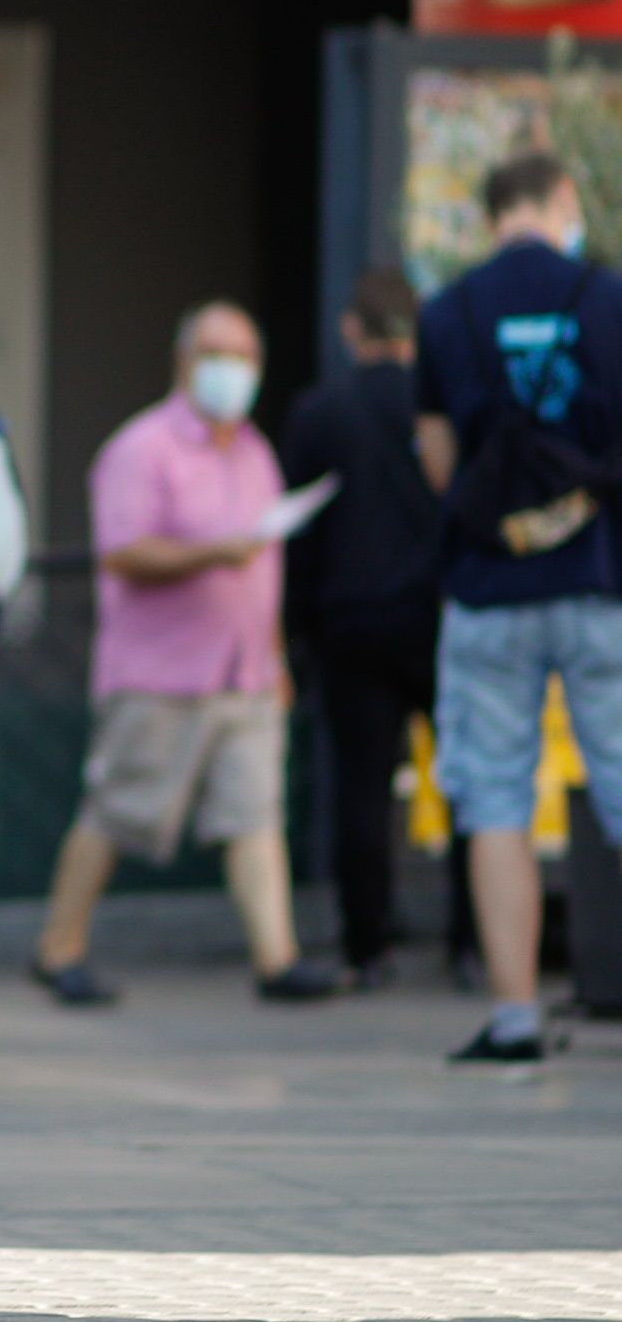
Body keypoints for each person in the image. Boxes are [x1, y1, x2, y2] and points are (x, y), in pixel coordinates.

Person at [33, 301, 339, 1008]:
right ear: (182, 359)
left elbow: (263, 565)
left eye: (243, 355)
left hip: (245, 674)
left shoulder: (255, 450)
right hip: (160, 673)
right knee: (115, 810)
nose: (231, 369)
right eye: (215, 352)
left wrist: (272, 656)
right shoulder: (140, 449)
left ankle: (276, 958)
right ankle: (58, 948)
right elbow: (122, 551)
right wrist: (212, 552)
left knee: (255, 817)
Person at [415, 151, 622, 1064]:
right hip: (597, 577)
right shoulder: (606, 295)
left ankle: (513, 1015)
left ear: (491, 211)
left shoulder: (446, 311)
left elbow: (436, 461)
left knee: (493, 791)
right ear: (560, 201)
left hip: (488, 584)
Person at [281, 268, 453, 990]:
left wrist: (293, 629)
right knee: (472, 787)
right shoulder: (438, 406)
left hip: (351, 622)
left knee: (360, 788)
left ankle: (367, 945)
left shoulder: (320, 411)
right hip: (439, 619)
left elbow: (297, 534)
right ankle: (473, 945)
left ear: (351, 329)